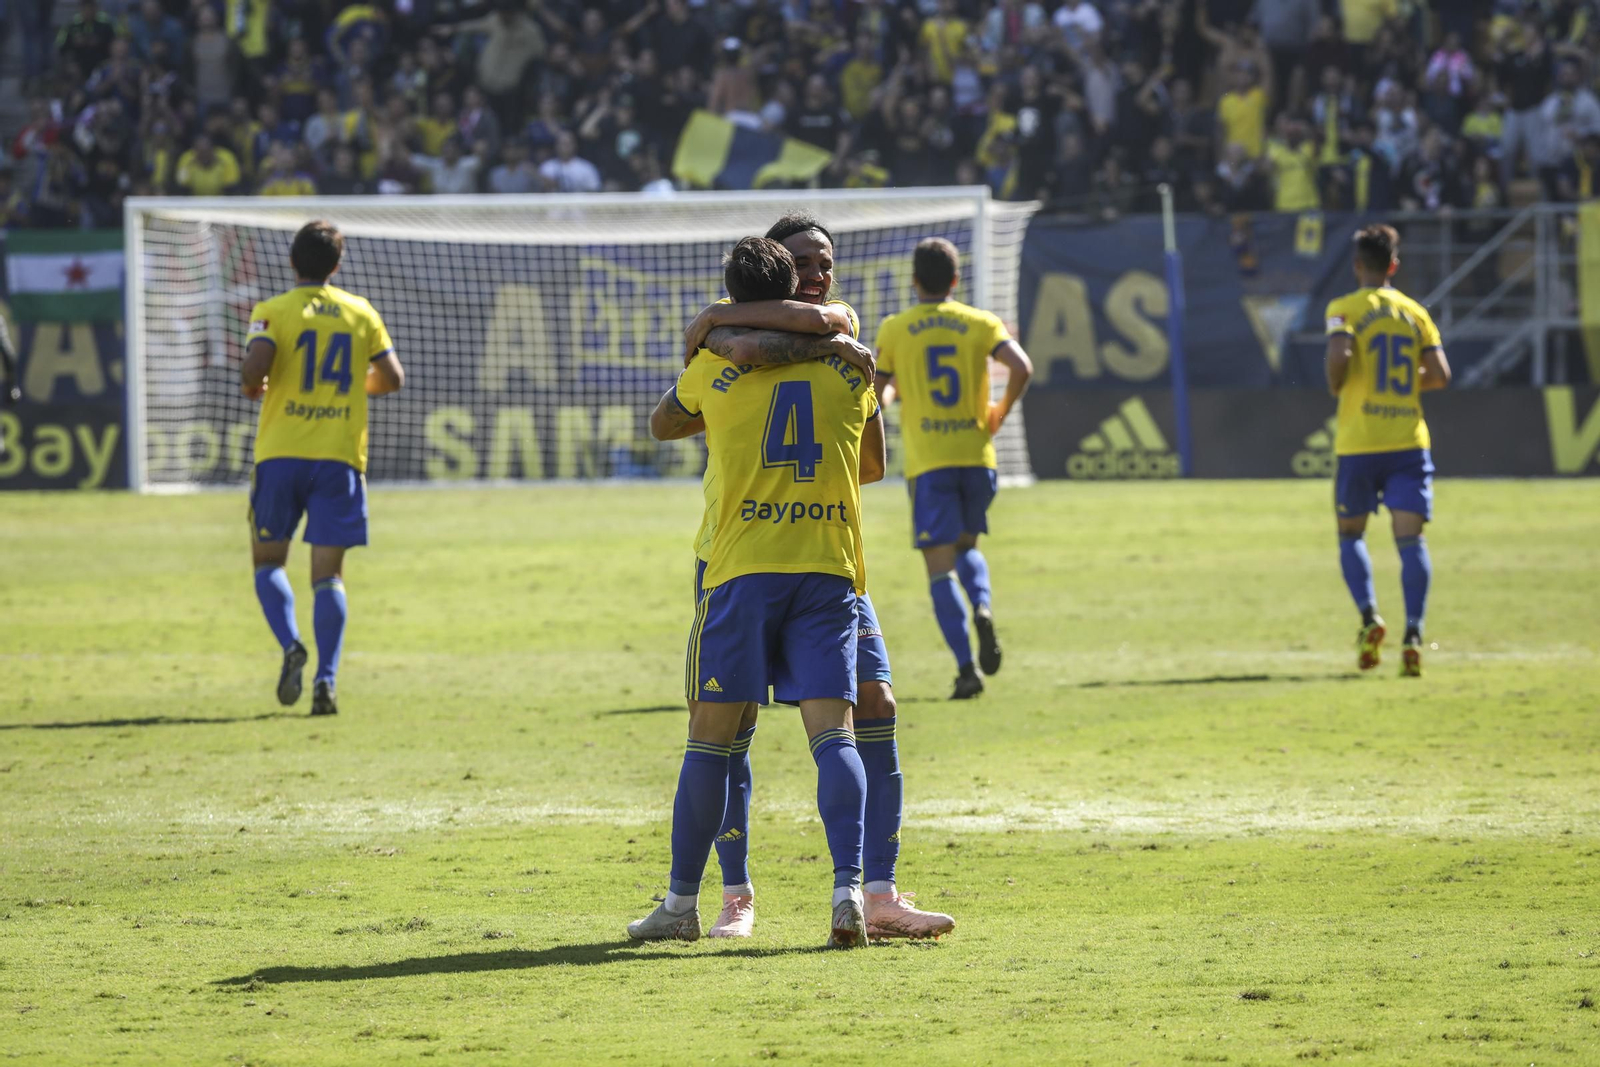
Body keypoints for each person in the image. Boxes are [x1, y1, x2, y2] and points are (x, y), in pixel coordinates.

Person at [678, 213, 955, 941]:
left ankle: (878, 891)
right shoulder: (794, 347)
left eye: (827, 261)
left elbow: (871, 464)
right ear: (777, 265)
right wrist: (727, 328)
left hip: (831, 560)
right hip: (732, 552)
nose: (820, 273)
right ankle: (735, 894)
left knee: (879, 701)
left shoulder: (830, 329)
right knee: (728, 724)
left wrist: (720, 320)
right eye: (804, 260)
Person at [634, 236, 882, 947]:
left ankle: (684, 904)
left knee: (710, 741)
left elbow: (661, 423)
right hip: (828, 564)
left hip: (741, 568)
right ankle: (847, 893)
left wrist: (715, 339)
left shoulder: (715, 365)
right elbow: (874, 463)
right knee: (834, 734)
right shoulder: (848, 366)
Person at [239, 221, 406, 716]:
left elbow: (254, 372)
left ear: (292, 263)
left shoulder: (272, 311)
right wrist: (354, 386)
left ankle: (292, 644)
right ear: (337, 265)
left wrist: (254, 386)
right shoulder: (360, 312)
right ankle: (327, 681)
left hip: (281, 455)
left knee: (269, 561)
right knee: (328, 575)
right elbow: (392, 378)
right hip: (339, 457)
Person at [874, 238, 1033, 699]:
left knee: (938, 569)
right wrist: (999, 411)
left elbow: (881, 393)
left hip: (931, 462)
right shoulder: (980, 322)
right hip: (977, 455)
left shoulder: (896, 328)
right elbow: (1021, 367)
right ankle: (982, 606)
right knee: (967, 545)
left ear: (915, 280)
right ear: (956, 280)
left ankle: (967, 670)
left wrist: (888, 400)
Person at [1324, 224, 1451, 677]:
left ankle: (1368, 617)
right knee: (1410, 540)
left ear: (1358, 265)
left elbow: (1339, 359)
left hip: (1359, 443)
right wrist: (1397, 384)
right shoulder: (1416, 313)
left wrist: (1344, 381)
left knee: (1350, 535)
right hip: (1407, 443)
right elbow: (1439, 374)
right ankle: (1414, 632)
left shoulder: (1343, 308)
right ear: (1394, 265)